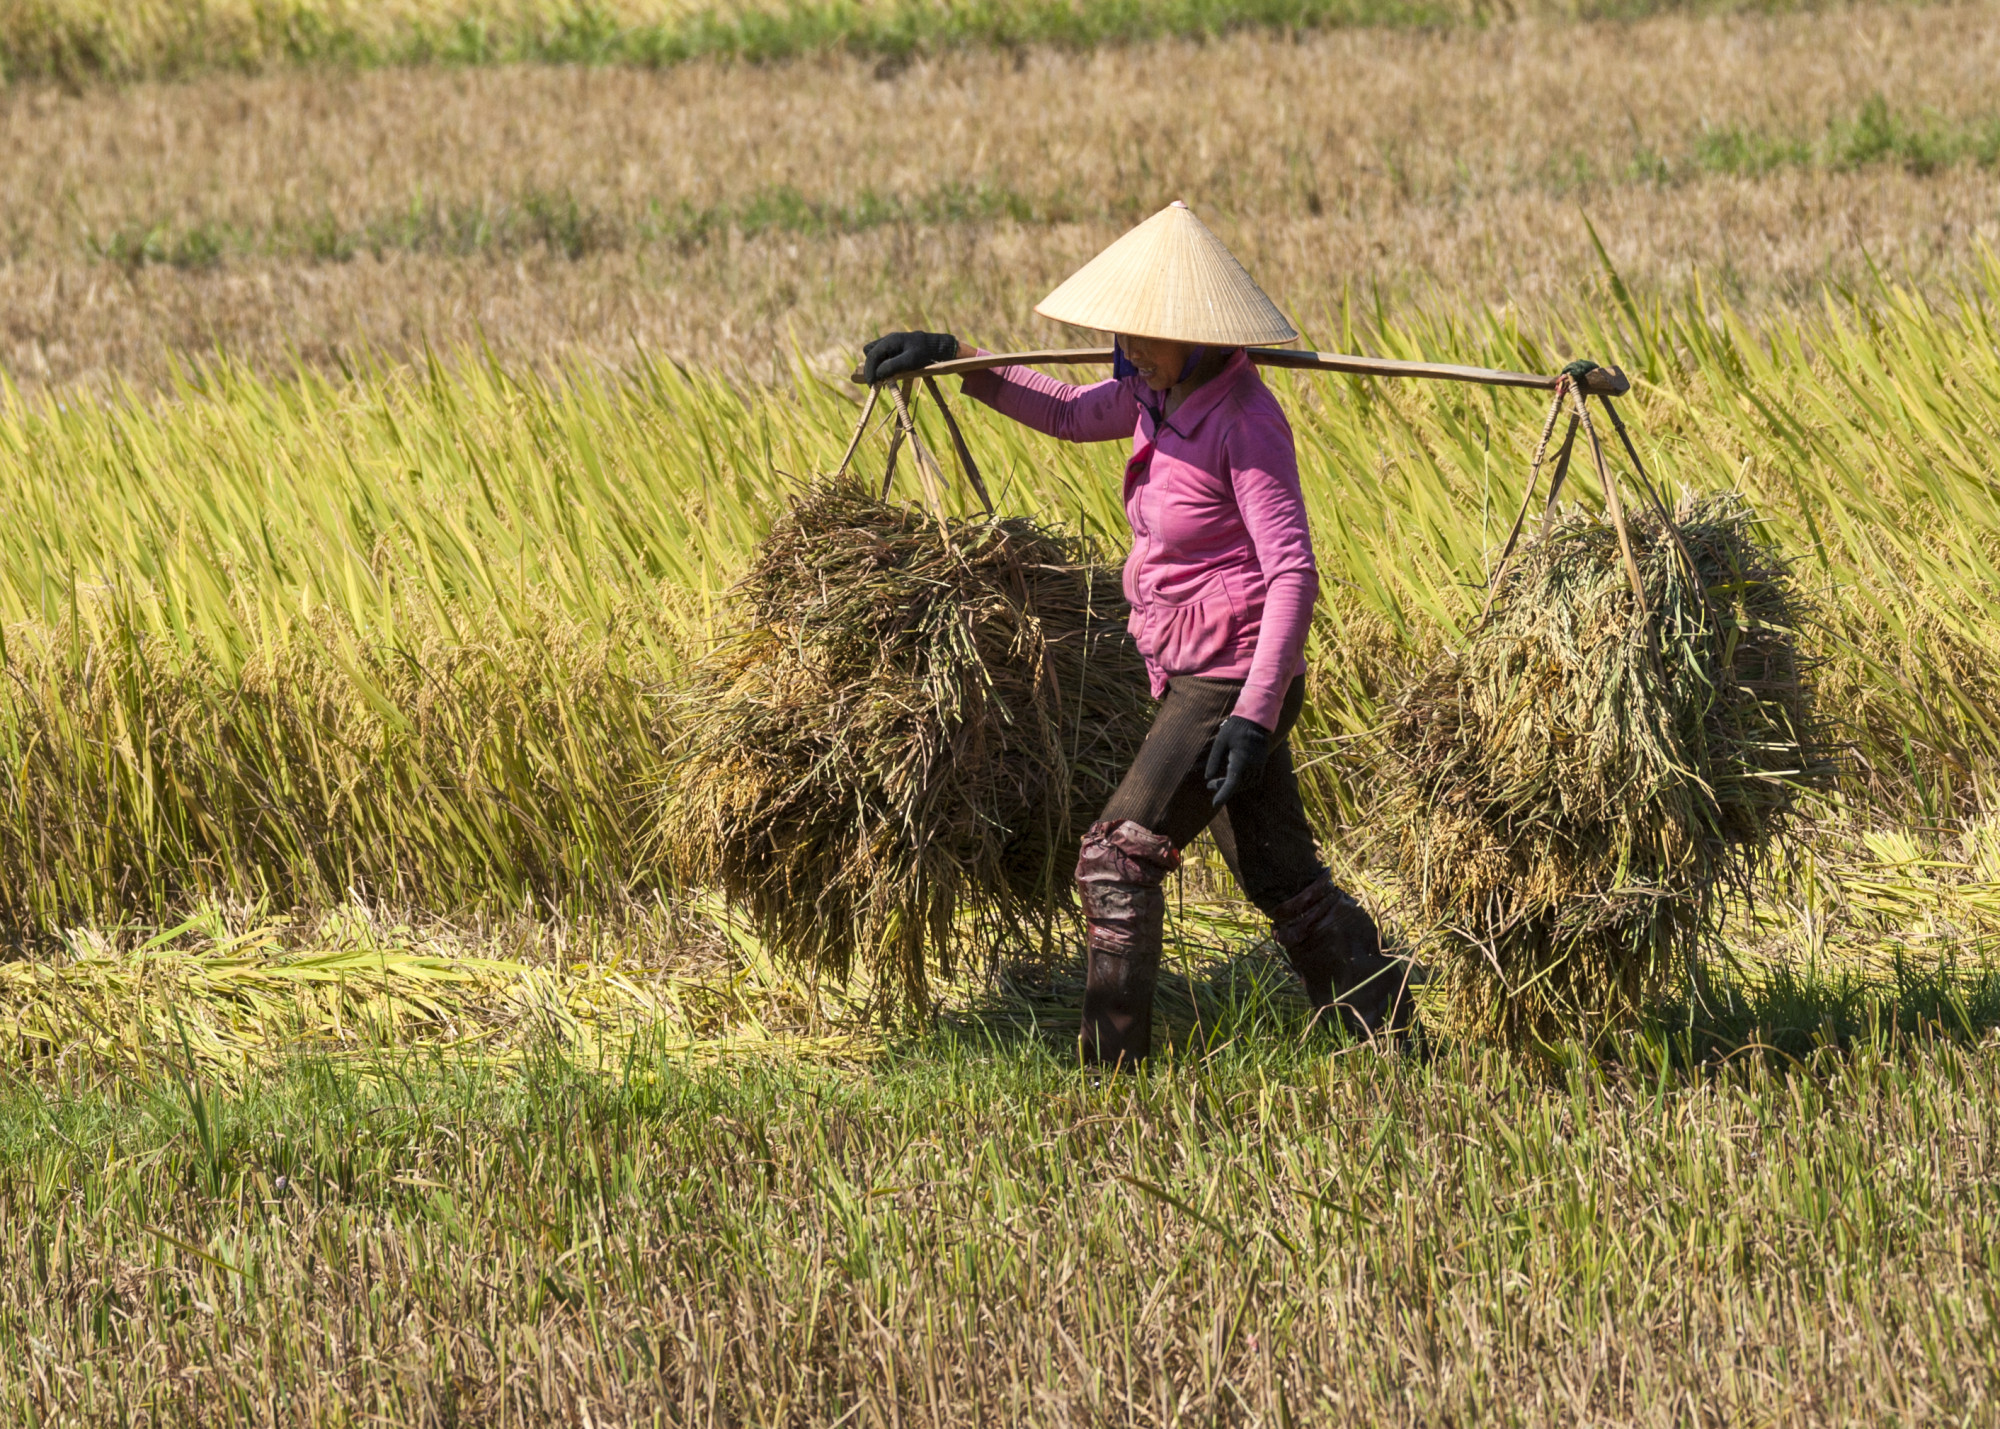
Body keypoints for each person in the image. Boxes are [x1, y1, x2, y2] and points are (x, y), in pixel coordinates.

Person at [861, 201, 1411, 1066]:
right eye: (1126, 334)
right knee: (1282, 879)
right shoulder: (1155, 395)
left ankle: (1112, 1069)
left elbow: (1293, 573)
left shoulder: (1245, 421)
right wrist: (958, 359)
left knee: (1117, 856)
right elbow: (1072, 412)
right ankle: (1392, 1037)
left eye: (1147, 335)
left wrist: (1252, 716)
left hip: (1231, 677)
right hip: (1191, 670)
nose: (1130, 348)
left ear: (1197, 334)